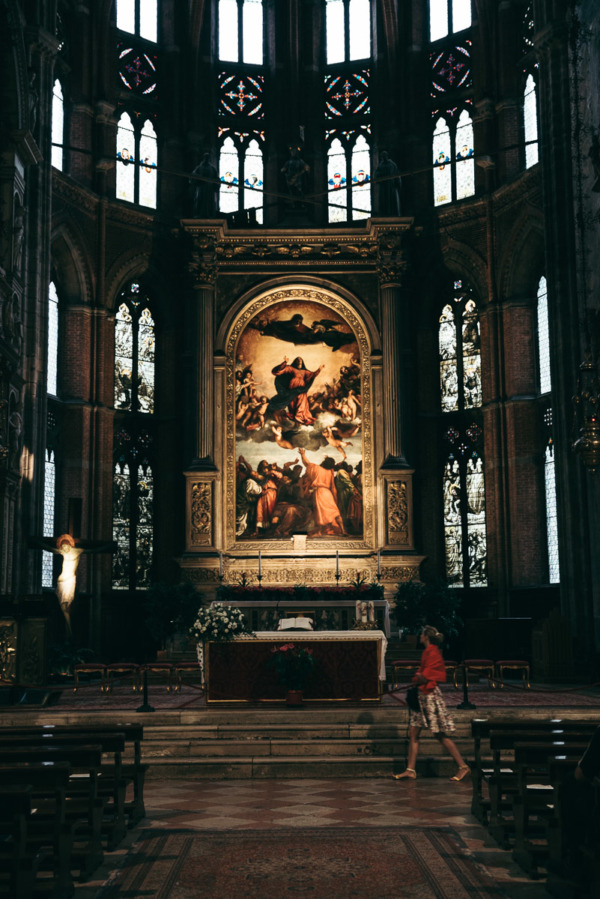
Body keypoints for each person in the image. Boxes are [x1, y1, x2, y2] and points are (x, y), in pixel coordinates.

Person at [393, 625, 470, 781]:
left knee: (439, 734)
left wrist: (417, 678)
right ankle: (410, 769)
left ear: (426, 637)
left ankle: (463, 766)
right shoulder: (428, 651)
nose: (419, 636)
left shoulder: (433, 651)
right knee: (413, 733)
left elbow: (429, 674)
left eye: (421, 634)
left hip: (428, 697)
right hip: (421, 697)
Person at [298, 448, 346, 536]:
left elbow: (306, 463)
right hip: (328, 493)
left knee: (320, 513)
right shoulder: (330, 471)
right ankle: (343, 530)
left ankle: (319, 532)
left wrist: (303, 454)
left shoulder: (316, 468)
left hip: (319, 492)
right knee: (335, 511)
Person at [267, 356, 324, 425]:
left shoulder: (305, 371)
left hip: (301, 388)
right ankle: (294, 415)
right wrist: (284, 363)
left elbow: (312, 375)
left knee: (302, 401)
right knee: (292, 401)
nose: (299, 361)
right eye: (298, 360)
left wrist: (319, 370)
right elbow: (281, 370)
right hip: (293, 387)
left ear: (302, 362)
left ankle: (300, 416)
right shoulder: (291, 368)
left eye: (300, 360)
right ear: (295, 362)